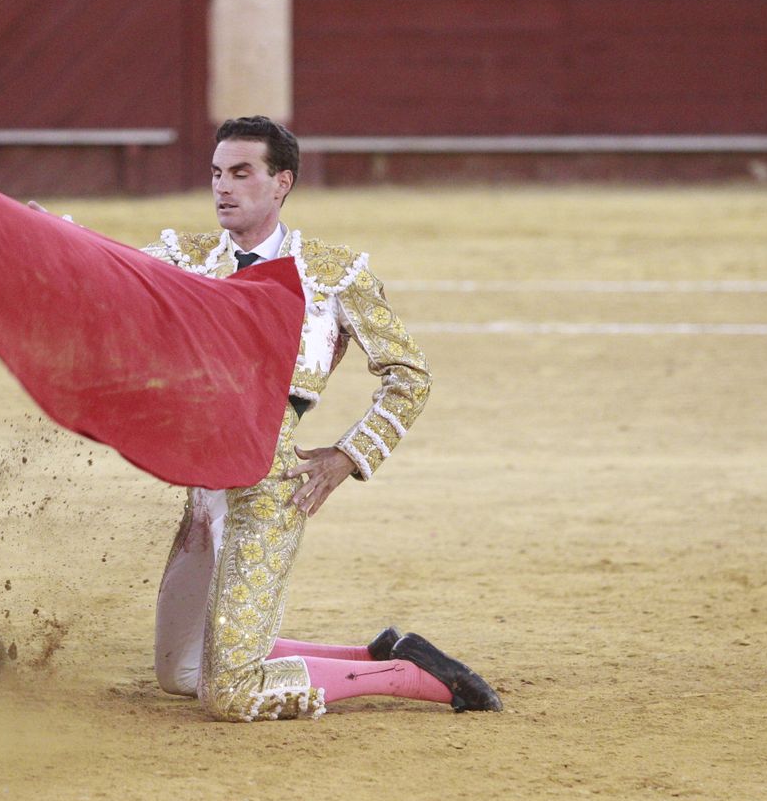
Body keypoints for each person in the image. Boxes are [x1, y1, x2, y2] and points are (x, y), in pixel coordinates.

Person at [139, 116, 501, 722]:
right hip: (203, 488)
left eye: (241, 173)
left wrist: (349, 456)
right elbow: (102, 273)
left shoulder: (334, 274)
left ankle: (408, 675)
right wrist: (46, 236)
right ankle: (373, 651)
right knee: (180, 674)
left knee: (228, 694)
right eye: (216, 174)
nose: (223, 188)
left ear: (281, 184)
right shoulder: (185, 257)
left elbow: (409, 375)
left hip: (267, 487)